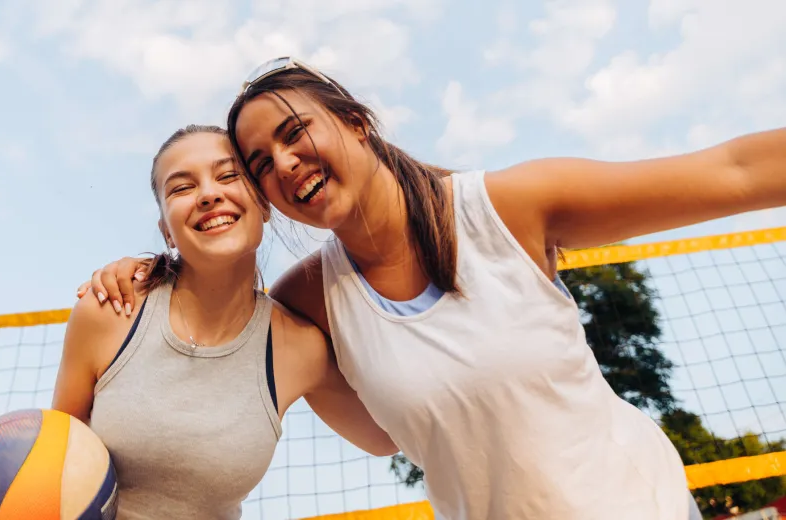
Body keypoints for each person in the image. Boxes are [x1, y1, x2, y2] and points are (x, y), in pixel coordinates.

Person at [76, 57, 786, 519]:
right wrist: (148, 270)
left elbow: (735, 171)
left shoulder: (505, 208)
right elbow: (381, 437)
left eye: (296, 134)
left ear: (356, 122)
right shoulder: (308, 301)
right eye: (261, 162)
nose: (285, 164)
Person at [52, 123, 396, 520]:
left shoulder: (299, 347)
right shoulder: (111, 309)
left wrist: (364, 284)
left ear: (265, 205)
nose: (209, 194)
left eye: (229, 175)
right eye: (181, 187)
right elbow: (52, 460)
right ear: (167, 231)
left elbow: (385, 437)